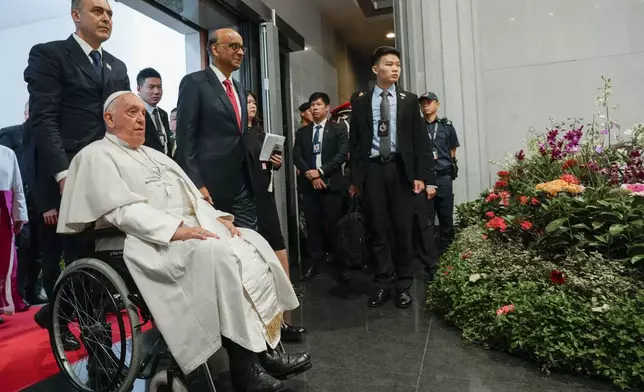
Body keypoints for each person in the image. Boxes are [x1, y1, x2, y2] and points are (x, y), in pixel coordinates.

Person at [58, 91, 312, 392]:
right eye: (131, 112)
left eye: (142, 112)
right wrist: (175, 229)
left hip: (181, 232)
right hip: (137, 240)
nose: (141, 119)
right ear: (109, 118)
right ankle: (244, 369)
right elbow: (122, 210)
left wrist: (217, 219)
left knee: (251, 242)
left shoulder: (154, 155)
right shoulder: (95, 156)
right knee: (217, 254)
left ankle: (265, 350)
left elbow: (192, 198)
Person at [24, 0, 130, 350]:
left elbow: (124, 121)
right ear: (75, 15)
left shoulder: (116, 66)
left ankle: (55, 310)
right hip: (66, 174)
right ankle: (97, 341)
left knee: (103, 253)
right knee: (77, 254)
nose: (106, 18)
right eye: (98, 11)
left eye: (110, 13)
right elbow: (43, 119)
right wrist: (63, 174)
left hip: (107, 173)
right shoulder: (50, 55)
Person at [349, 46, 435, 308]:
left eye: (398, 64)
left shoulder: (409, 100)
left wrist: (422, 175)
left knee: (402, 228)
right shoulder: (361, 101)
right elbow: (355, 142)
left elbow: (420, 141)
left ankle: (403, 284)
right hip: (373, 170)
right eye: (389, 64)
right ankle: (382, 283)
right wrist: (355, 179)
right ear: (376, 69)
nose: (395, 68)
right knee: (377, 228)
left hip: (401, 170)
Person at [177, 28, 257, 229]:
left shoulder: (239, 88)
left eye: (241, 48)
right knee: (220, 247)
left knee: (251, 240)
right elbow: (185, 138)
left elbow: (241, 135)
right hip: (211, 186)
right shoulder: (194, 83)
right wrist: (197, 184)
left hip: (243, 184)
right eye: (233, 46)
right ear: (214, 49)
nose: (239, 52)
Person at [245, 91, 307, 342]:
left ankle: (286, 294)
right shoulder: (237, 134)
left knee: (276, 241)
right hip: (246, 197)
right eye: (247, 102)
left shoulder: (260, 133)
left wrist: (275, 161)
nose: (251, 105)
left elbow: (272, 163)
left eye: (253, 102)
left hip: (265, 193)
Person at [293, 92, 350, 282]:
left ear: (327, 108)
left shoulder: (338, 129)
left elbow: (342, 154)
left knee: (335, 226)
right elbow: (296, 157)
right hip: (310, 187)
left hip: (331, 185)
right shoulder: (302, 132)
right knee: (313, 226)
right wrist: (311, 175)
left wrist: (321, 171)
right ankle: (314, 263)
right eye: (312, 105)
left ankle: (340, 265)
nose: (314, 108)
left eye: (318, 104)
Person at [0, 103, 47, 305]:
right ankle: (14, 294)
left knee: (37, 248)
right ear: (26, 112)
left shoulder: (46, 138)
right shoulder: (10, 134)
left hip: (40, 202)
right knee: (19, 248)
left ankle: (31, 291)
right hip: (14, 202)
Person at [419, 92, 460, 254]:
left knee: (446, 217)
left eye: (429, 102)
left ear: (437, 104)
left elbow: (452, 151)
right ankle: (429, 255)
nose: (425, 105)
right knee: (426, 218)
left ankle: (448, 253)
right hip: (424, 179)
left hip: (443, 177)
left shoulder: (446, 127)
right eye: (422, 103)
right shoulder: (417, 127)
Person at [0, 145, 29, 324]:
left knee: (3, 262)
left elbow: (17, 187)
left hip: (2, 217)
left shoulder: (7, 153)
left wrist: (20, 216)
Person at [137, 67, 174, 158]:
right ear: (139, 89)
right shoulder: (134, 114)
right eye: (151, 87)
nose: (156, 92)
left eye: (159, 87)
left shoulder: (163, 114)